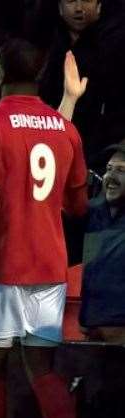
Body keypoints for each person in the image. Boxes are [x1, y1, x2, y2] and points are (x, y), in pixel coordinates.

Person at [0, 38, 88, 418]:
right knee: (41, 370)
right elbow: (77, 206)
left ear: (0, 72)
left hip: (0, 266)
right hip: (49, 268)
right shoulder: (65, 128)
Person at [40, 0, 125, 167]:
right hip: (53, 144)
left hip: (98, 149)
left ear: (99, 6)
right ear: (60, 8)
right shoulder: (50, 44)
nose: (79, 8)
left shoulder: (114, 47)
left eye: (87, 0)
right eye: (71, 1)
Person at [80, 140, 125, 344]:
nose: (111, 177)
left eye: (121, 170)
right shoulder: (92, 212)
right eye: (108, 169)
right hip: (91, 328)